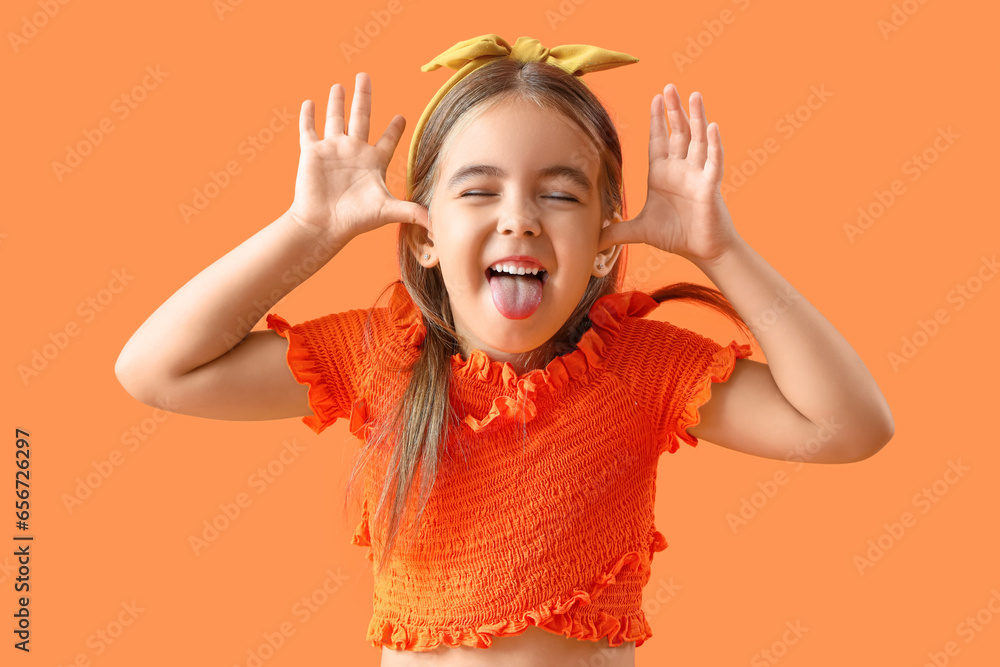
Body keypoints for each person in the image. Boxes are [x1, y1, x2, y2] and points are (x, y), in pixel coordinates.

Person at [115, 33, 895, 667]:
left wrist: (720, 250)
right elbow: (156, 370)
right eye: (479, 190)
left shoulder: (639, 367)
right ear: (423, 237)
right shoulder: (382, 357)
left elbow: (853, 426)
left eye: (559, 193)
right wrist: (306, 235)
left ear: (601, 243)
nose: (520, 218)